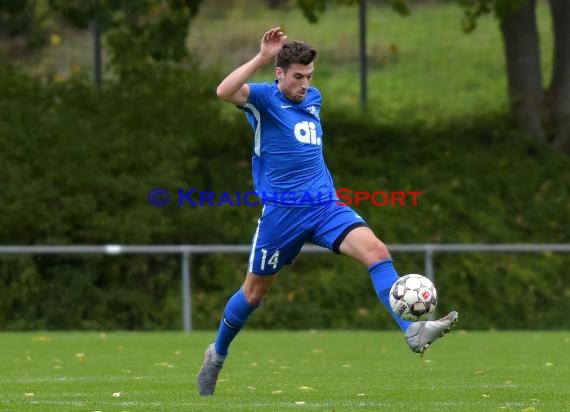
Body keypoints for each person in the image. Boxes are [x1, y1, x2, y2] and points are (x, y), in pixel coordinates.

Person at [197, 27, 458, 396]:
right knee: (253, 295)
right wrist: (261, 56)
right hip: (282, 215)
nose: (304, 84)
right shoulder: (263, 99)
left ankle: (412, 331)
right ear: (279, 73)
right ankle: (217, 354)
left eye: (309, 76)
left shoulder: (314, 98)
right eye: (297, 77)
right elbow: (223, 92)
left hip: (325, 207)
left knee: (377, 252)